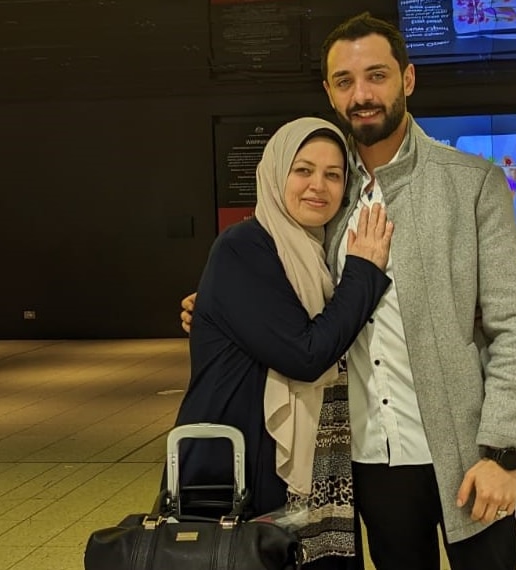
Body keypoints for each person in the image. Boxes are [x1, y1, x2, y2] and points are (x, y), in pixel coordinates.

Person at [184, 12, 516, 570]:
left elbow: (514, 326)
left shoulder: (471, 183)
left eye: (376, 76)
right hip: (371, 455)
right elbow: (285, 286)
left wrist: (503, 450)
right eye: (345, 82)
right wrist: (214, 306)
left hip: (466, 450)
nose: (362, 95)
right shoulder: (326, 197)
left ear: (408, 79)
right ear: (329, 92)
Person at [173, 117, 393, 569]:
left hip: (315, 464)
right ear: (275, 173)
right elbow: (305, 354)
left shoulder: (314, 254)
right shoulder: (244, 247)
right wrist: (365, 272)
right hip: (242, 467)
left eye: (334, 175)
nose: (319, 186)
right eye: (303, 170)